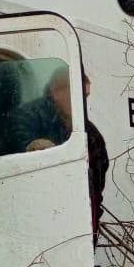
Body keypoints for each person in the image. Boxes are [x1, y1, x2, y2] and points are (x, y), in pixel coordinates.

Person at [15, 66, 108, 249]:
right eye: (78, 93)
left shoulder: (91, 134)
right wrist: (36, 149)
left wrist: (92, 233)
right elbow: (15, 153)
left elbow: (97, 190)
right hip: (40, 230)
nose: (82, 101)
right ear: (56, 92)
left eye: (86, 96)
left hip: (81, 235)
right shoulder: (29, 117)